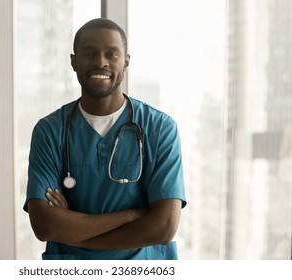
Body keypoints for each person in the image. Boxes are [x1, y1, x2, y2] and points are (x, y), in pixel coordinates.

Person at [23, 18, 187, 260]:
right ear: (73, 62)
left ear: (126, 61)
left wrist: (73, 234)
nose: (100, 62)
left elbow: (164, 227)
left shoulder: (160, 128)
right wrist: (131, 215)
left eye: (111, 54)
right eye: (89, 53)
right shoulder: (49, 131)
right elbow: (45, 225)